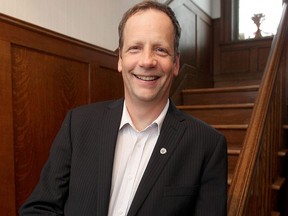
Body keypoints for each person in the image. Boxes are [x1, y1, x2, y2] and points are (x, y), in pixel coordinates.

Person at [19, 1, 227, 215]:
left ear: (175, 64)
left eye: (161, 50)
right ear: (120, 59)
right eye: (135, 48)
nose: (147, 61)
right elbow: (39, 208)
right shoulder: (78, 125)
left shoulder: (207, 145)